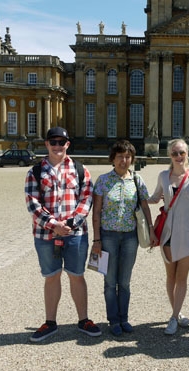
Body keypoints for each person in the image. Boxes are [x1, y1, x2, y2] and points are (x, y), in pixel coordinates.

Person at [25, 127, 101, 342]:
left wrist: (70, 223)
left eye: (62, 142)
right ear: (47, 144)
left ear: (68, 144)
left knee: (77, 275)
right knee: (51, 277)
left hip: (75, 233)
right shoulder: (35, 171)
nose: (57, 146)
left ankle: (83, 319)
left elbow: (86, 199)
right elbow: (33, 203)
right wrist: (53, 225)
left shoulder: (80, 169)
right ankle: (50, 322)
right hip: (45, 234)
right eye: (53, 142)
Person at [91, 140, 156, 337]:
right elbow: (97, 212)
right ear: (113, 159)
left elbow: (145, 207)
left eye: (128, 157)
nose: (124, 160)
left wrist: (151, 229)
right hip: (108, 235)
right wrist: (96, 240)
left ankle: (124, 317)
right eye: (120, 157)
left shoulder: (137, 180)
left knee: (125, 281)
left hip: (130, 236)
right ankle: (113, 320)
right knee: (110, 281)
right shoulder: (103, 180)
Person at [148, 139, 189, 335]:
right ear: (169, 155)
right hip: (167, 234)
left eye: (182, 153)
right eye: (174, 153)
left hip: (188, 234)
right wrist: (134, 199)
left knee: (182, 277)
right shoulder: (164, 176)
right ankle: (177, 313)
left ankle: (173, 317)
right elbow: (155, 198)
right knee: (171, 276)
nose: (178, 157)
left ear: (187, 154)